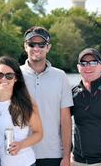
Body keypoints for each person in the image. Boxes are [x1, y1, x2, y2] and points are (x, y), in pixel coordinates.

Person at [20, 26, 73, 166]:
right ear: (25, 46)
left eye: (41, 44)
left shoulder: (60, 76)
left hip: (53, 153)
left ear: (48, 47)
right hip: (21, 152)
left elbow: (66, 120)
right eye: (32, 44)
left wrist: (67, 156)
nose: (36, 48)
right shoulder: (14, 75)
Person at [0, 56, 43, 166]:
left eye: (9, 76)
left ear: (16, 78)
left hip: (25, 163)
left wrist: (21, 145)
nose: (4, 79)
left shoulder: (26, 103)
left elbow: (39, 133)